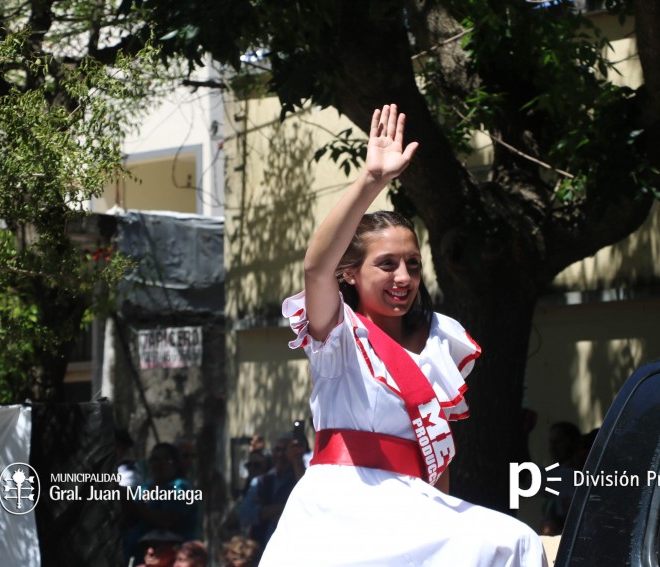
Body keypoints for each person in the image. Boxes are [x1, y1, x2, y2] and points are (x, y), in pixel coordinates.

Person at [261, 104, 547, 565]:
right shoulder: (338, 337)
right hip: (346, 505)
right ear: (350, 274)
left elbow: (438, 457)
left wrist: (442, 513)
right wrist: (371, 181)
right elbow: (316, 267)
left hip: (413, 506)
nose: (403, 276)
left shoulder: (440, 339)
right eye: (386, 263)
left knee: (514, 542)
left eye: (412, 264)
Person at [123, 443, 200, 563]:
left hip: (172, 558)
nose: (157, 464)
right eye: (154, 460)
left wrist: (135, 508)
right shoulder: (145, 487)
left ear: (175, 464)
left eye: (165, 460)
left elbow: (167, 519)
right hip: (140, 557)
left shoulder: (180, 487)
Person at [239, 433, 307, 547]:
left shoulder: (302, 479)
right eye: (277, 450)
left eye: (286, 450)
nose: (281, 455)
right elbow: (245, 514)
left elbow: (306, 507)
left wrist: (264, 511)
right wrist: (280, 508)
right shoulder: (261, 482)